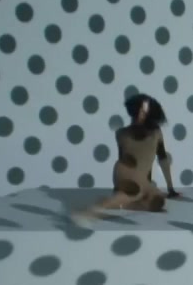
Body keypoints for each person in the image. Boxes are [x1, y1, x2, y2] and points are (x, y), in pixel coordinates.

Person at [72, 93, 180, 223]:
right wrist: (123, 185)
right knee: (132, 193)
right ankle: (88, 213)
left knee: (157, 201)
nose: (141, 115)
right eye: (139, 110)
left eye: (145, 111)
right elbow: (123, 158)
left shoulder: (156, 133)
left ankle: (126, 202)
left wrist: (170, 188)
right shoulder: (122, 134)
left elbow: (162, 159)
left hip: (140, 177)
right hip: (128, 174)